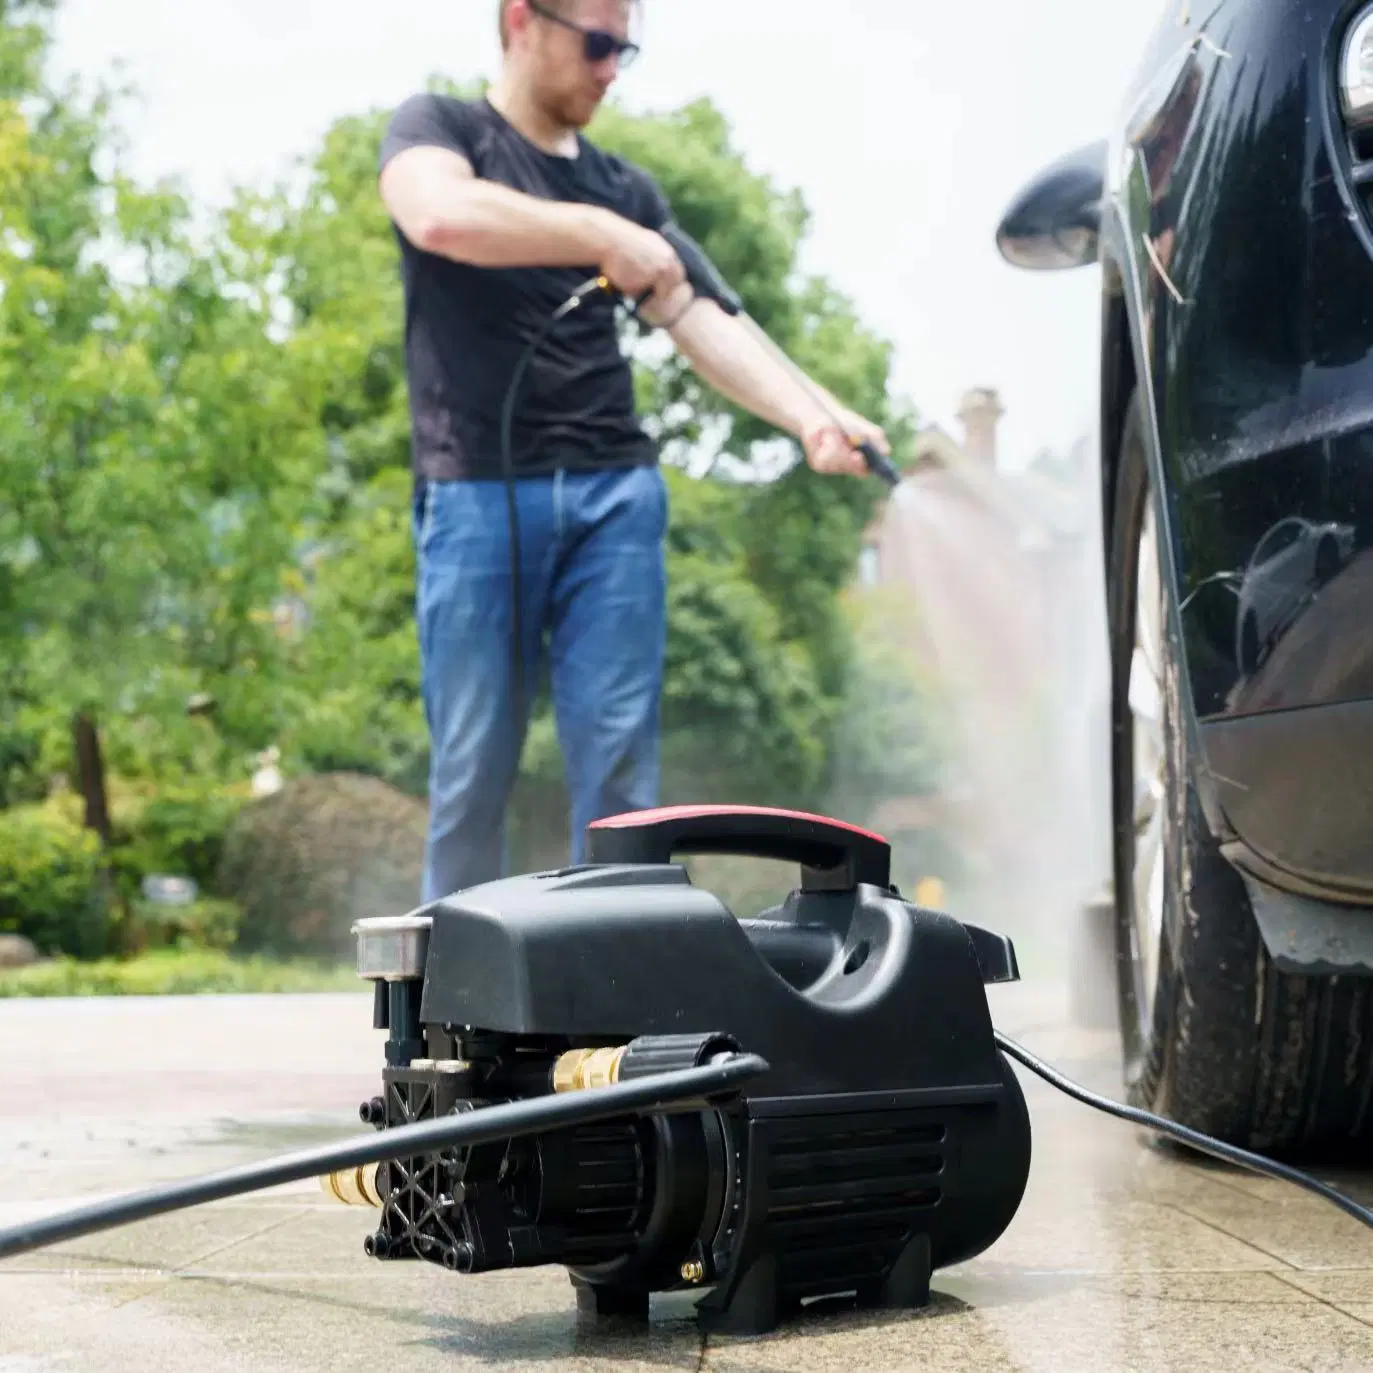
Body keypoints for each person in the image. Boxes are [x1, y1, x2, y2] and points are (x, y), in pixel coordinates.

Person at [378, 0, 891, 903]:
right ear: (519, 22)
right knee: (472, 767)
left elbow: (697, 314)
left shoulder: (626, 188)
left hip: (616, 495)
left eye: (627, 49)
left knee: (619, 778)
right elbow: (438, 217)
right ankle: (447, 1008)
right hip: (473, 498)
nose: (613, 68)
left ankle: (612, 1002)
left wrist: (815, 414)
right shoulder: (440, 129)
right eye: (599, 43)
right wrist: (601, 235)